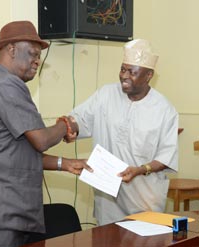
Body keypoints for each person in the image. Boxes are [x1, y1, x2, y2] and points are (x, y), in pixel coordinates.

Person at [0, 21, 92, 247]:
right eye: (33, 53)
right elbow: (41, 140)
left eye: (40, 56)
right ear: (12, 49)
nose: (37, 60)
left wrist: (64, 163)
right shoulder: (6, 84)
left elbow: (12, 152)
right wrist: (67, 124)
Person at [65, 39, 178, 226]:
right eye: (122, 69)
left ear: (149, 75)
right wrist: (67, 127)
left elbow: (166, 157)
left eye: (132, 72)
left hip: (144, 199)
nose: (124, 76)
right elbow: (79, 119)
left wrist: (141, 169)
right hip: (108, 199)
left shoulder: (165, 110)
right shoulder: (106, 95)